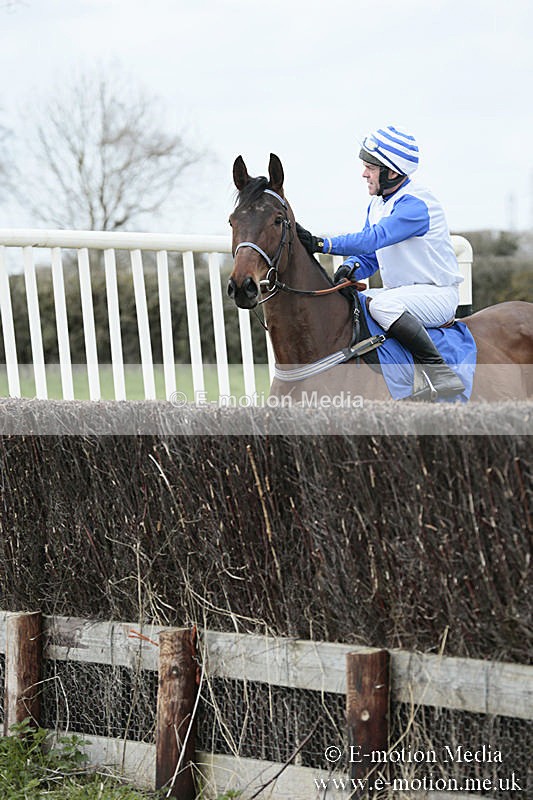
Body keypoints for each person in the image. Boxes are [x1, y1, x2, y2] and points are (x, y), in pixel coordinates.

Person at [297, 124, 466, 399]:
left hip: (437, 296)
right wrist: (351, 267)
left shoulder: (416, 204)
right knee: (356, 302)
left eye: (370, 168)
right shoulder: (378, 203)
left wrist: (322, 244)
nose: (364, 173)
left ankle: (439, 372)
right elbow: (371, 255)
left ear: (392, 172)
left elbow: (374, 238)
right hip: (405, 295)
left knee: (382, 304)